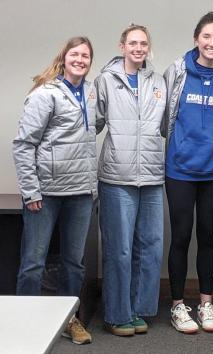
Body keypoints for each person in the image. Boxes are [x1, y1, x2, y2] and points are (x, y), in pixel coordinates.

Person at [13, 37, 97, 345]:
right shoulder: (45, 94)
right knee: (33, 262)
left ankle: (69, 320)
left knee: (74, 263)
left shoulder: (90, 93)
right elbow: (23, 146)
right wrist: (31, 191)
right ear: (64, 58)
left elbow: (87, 138)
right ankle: (24, 322)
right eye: (75, 54)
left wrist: (91, 186)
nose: (80, 59)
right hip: (45, 194)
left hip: (80, 192)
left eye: (86, 56)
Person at [162, 11, 213, 334]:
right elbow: (161, 115)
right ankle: (178, 306)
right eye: (206, 37)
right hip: (180, 170)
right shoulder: (177, 71)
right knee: (180, 237)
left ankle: (206, 304)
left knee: (208, 237)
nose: (212, 43)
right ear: (196, 39)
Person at [95, 24, 166, 337]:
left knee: (150, 248)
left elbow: (168, 125)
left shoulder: (159, 81)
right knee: (119, 250)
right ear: (122, 45)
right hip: (116, 177)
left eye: (143, 44)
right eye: (133, 43)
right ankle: (117, 313)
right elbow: (90, 124)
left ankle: (139, 309)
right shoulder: (105, 80)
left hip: (151, 177)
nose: (138, 48)